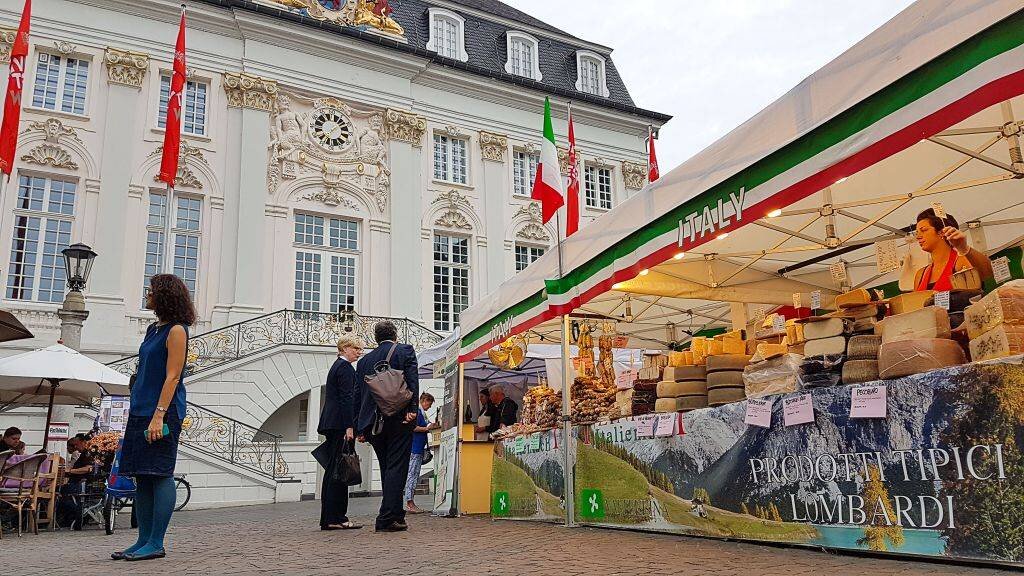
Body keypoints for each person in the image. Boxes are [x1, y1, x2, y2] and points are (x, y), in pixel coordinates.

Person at [112, 274, 194, 562]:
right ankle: (142, 539)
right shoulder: (152, 329)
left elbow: (173, 375)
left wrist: (159, 415)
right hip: (141, 408)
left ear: (164, 296)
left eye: (151, 292)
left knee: (159, 473)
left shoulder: (177, 331)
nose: (147, 296)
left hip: (163, 410)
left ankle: (156, 542)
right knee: (142, 476)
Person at [354, 321, 419, 533]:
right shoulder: (404, 350)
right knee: (397, 467)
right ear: (395, 335)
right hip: (399, 417)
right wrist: (413, 408)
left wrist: (359, 427)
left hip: (373, 422)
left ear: (376, 338)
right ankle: (388, 517)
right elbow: (412, 381)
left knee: (387, 468)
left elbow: (358, 395)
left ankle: (395, 514)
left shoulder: (364, 361)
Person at [317, 335, 364, 531]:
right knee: (339, 471)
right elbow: (347, 399)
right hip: (339, 424)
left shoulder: (338, 366)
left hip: (333, 422)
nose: (359, 352)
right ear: (345, 348)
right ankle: (336, 517)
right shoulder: (344, 368)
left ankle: (331, 517)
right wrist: (350, 426)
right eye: (356, 349)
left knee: (333, 471)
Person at [912, 208, 993, 292]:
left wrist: (964, 248)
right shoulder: (920, 274)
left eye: (924, 230)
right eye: (917, 233)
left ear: (941, 232)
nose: (918, 237)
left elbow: (988, 274)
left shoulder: (961, 261)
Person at [404, 393, 439, 514]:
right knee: (412, 475)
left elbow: (428, 424)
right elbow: (413, 427)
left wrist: (433, 425)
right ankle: (409, 502)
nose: (429, 407)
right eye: (429, 404)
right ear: (424, 400)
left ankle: (410, 501)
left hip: (418, 447)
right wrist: (427, 429)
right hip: (415, 447)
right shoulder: (418, 412)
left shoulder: (422, 413)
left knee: (414, 474)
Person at [56, 434, 95, 530]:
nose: (76, 447)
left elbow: (88, 468)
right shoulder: (83, 454)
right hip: (75, 483)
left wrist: (70, 471)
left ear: (84, 442)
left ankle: (78, 514)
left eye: (77, 444)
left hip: (79, 485)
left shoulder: (88, 454)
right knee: (57, 492)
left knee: (57, 496)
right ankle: (69, 517)